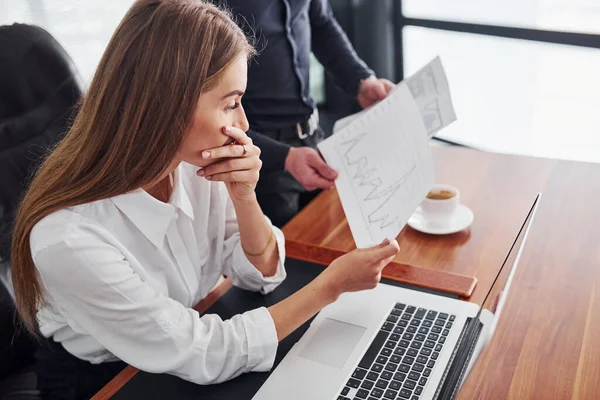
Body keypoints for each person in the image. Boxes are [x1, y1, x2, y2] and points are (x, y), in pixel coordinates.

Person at [10, 1, 400, 399]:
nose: (244, 125)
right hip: (105, 379)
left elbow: (261, 275)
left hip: (185, 340)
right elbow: (206, 353)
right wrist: (329, 287)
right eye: (231, 104)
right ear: (167, 103)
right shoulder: (68, 238)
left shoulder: (194, 165)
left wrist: (244, 196)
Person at [212, 0, 396, 227]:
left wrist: (361, 80)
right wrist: (283, 156)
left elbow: (320, 21)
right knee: (283, 257)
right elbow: (203, 106)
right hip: (258, 158)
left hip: (313, 138)